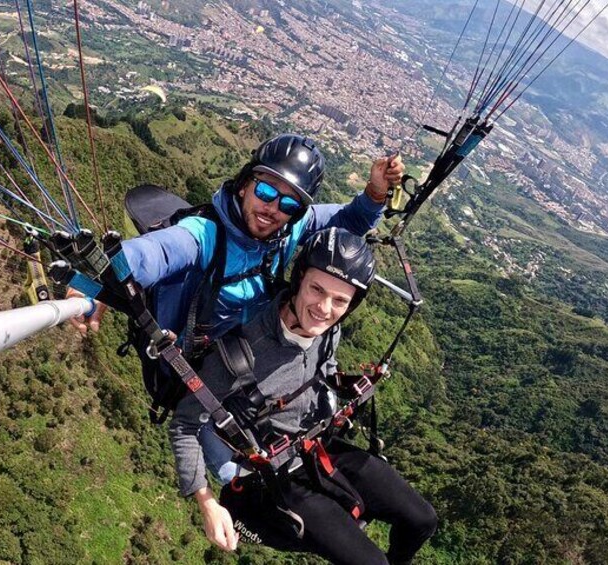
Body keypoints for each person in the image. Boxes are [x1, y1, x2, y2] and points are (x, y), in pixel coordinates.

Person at [170, 228, 438, 565]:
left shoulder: (329, 330)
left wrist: (340, 390)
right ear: (299, 280)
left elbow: (324, 367)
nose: (325, 309)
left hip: (316, 445)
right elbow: (184, 425)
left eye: (341, 300)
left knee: (422, 520)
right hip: (272, 475)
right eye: (317, 289)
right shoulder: (242, 352)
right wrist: (207, 503)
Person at [69, 133, 403, 346]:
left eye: (288, 203)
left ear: (297, 212)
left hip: (248, 345)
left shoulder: (289, 229)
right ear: (244, 184)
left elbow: (350, 221)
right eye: (266, 190)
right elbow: (157, 252)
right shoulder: (205, 235)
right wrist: (102, 278)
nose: (272, 208)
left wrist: (375, 191)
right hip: (198, 358)